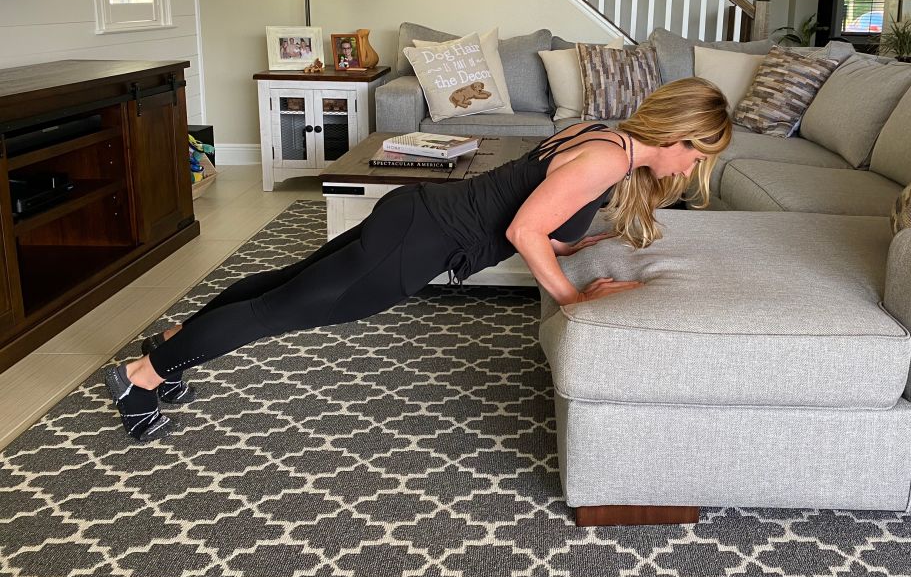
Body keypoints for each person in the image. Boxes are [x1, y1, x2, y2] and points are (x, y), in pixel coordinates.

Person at [103, 77, 732, 440]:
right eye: (699, 155)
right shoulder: (607, 161)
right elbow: (522, 229)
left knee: (289, 284)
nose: (694, 167)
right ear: (681, 136)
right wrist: (571, 300)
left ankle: (175, 340)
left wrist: (575, 243)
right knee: (283, 309)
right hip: (418, 241)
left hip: (417, 217)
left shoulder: (603, 134)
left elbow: (536, 206)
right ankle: (143, 378)